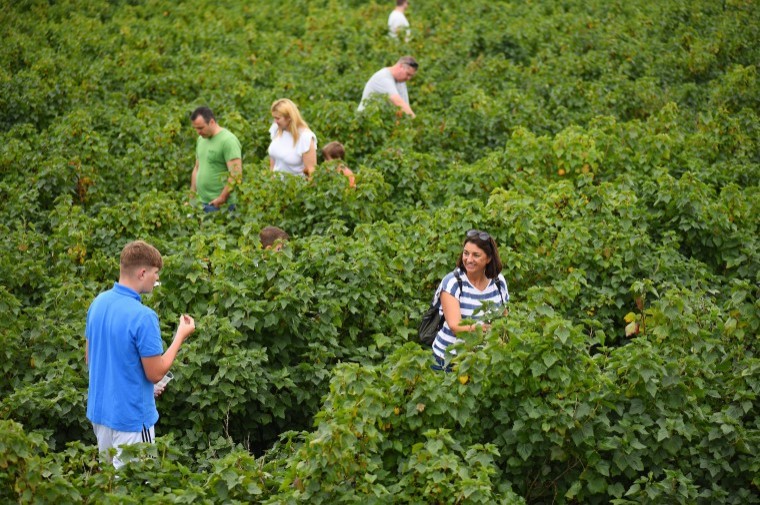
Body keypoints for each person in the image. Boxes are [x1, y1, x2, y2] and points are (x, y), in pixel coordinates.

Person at [85, 240, 196, 469]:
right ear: (142, 272)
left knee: (109, 487)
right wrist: (180, 336)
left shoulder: (98, 303)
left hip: (101, 415)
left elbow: (92, 359)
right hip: (132, 420)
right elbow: (155, 373)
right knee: (136, 489)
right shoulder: (143, 316)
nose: (157, 279)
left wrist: (142, 386)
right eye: (155, 273)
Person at [431, 230, 509, 370]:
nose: (468, 259)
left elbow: (504, 316)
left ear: (489, 258)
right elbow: (456, 327)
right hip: (450, 361)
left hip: (484, 360)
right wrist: (483, 329)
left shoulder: (498, 281)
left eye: (476, 255)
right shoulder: (453, 283)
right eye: (466, 253)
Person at [190, 106, 243, 212]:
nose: (198, 132)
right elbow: (197, 168)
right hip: (201, 203)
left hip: (219, 206)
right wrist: (192, 197)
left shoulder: (228, 141)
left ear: (212, 122)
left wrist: (222, 198)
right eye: (195, 128)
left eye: (201, 128)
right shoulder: (201, 139)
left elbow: (236, 174)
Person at [268, 99, 317, 178]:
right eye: (274, 117)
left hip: (295, 188)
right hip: (275, 187)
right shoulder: (276, 129)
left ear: (289, 117)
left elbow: (311, 171)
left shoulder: (305, 137)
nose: (275, 121)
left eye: (278, 118)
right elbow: (273, 163)